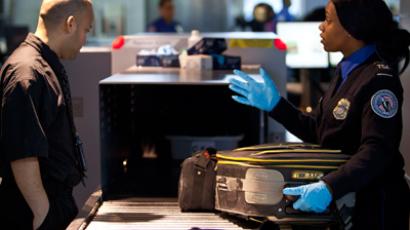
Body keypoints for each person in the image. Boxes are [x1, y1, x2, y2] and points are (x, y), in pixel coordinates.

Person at [228, 0, 410, 229]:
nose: (321, 27)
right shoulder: (347, 70)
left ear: (352, 28)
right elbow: (320, 131)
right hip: (347, 201)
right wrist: (276, 106)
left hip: (375, 206)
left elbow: (377, 151)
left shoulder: (379, 80)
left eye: (329, 20)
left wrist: (329, 186)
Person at [0, 0, 94, 229]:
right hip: (33, 213)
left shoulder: (43, 65)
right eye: (86, 30)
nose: (85, 40)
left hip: (51, 202)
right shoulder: (27, 72)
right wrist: (43, 214)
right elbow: (23, 152)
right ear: (70, 24)